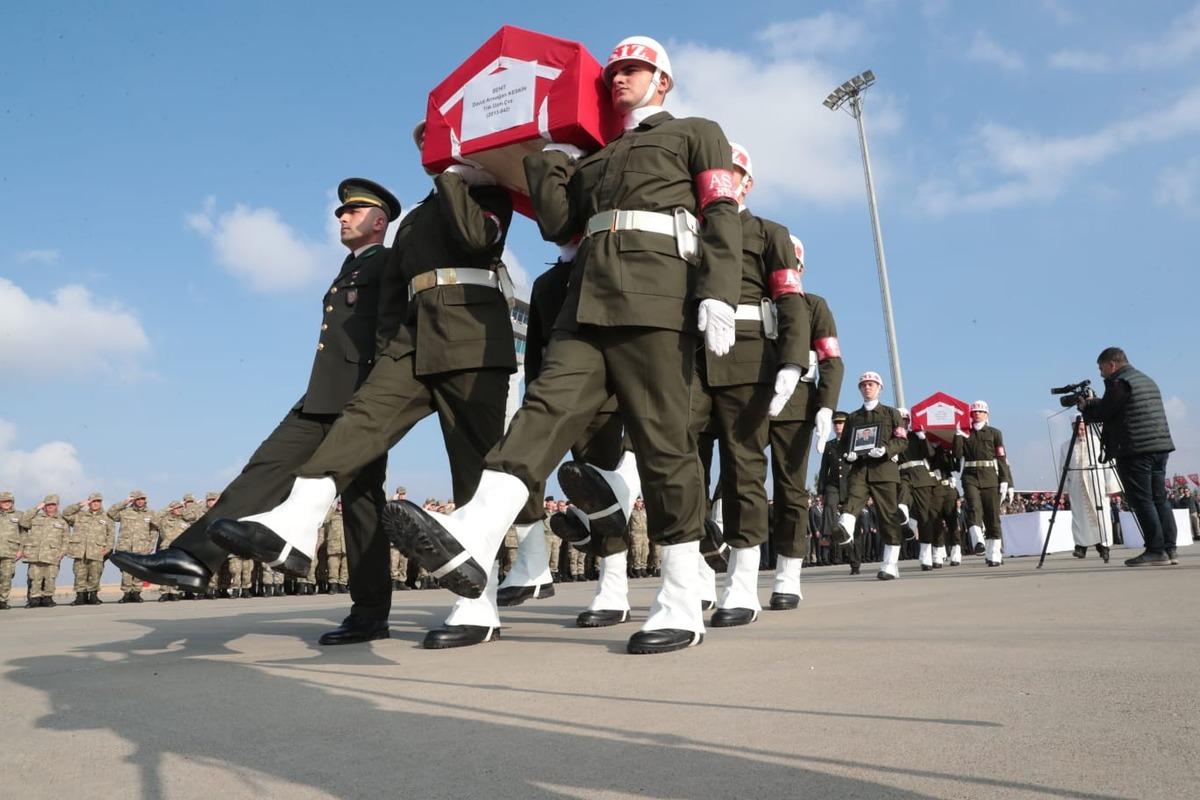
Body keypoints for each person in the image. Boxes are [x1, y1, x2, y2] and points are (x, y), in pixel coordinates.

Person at [385, 35, 742, 655]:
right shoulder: (595, 158)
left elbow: (721, 209)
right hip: (588, 301)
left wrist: (718, 291)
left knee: (662, 442)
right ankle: (472, 528)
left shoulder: (695, 132)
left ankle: (683, 596)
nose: (620, 77)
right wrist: (554, 154)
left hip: (656, 297)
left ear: (663, 81)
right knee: (542, 412)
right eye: (614, 72)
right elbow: (555, 223)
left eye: (634, 69)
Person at [110, 178, 400, 640]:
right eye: (341, 212)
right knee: (265, 469)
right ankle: (190, 558)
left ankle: (369, 613)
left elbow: (389, 335)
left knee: (362, 506)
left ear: (379, 221)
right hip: (321, 398)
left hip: (359, 402)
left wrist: (375, 402)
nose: (342, 217)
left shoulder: (387, 263)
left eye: (353, 212)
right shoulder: (348, 268)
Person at [685, 145, 809, 628]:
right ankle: (695, 567)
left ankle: (741, 580)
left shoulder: (770, 233)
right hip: (693, 359)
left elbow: (790, 300)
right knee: (681, 459)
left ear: (747, 183)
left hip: (749, 358)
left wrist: (792, 362)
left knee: (744, 471)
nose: (722, 180)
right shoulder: (693, 228)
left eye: (731, 174)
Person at [1078, 347, 1177, 566]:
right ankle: (1170, 549)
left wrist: (1086, 409)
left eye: (1101, 368)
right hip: (1159, 446)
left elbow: (1104, 413)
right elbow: (1121, 406)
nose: (1101, 373)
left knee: (1142, 500)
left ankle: (1155, 550)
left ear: (1112, 364)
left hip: (1135, 449)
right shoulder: (1145, 379)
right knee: (1159, 499)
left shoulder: (1119, 382)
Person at [836, 373, 908, 580]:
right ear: (859, 389)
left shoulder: (891, 413)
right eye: (864, 385)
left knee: (888, 517)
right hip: (859, 469)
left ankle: (890, 564)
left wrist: (886, 450)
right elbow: (843, 445)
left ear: (879, 388)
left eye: (871, 384)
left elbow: (902, 441)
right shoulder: (853, 417)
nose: (867, 388)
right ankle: (844, 530)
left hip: (884, 470)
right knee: (853, 500)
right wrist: (847, 455)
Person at [953, 401, 1014, 566]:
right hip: (970, 476)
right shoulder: (965, 432)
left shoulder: (995, 433)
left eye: (981, 411)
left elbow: (1001, 457)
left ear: (987, 415)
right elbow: (957, 455)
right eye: (974, 412)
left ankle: (993, 553)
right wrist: (958, 435)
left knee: (992, 516)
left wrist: (1006, 480)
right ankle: (978, 541)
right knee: (973, 508)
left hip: (990, 477)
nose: (977, 414)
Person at [1060, 418, 1119, 562]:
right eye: (1076, 429)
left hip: (1097, 485)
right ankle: (1080, 547)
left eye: (1081, 429)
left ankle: (1104, 546)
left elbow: (1109, 464)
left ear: (1086, 427)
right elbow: (1062, 468)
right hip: (1076, 487)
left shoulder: (1098, 441)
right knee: (1079, 517)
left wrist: (1111, 487)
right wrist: (1064, 490)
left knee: (1101, 516)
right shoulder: (1065, 446)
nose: (1079, 432)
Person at [819, 411, 857, 574]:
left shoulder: (853, 443)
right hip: (833, 484)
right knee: (829, 504)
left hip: (850, 486)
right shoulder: (829, 445)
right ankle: (827, 534)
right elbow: (823, 469)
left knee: (850, 528)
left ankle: (855, 563)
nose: (838, 426)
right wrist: (821, 490)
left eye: (841, 423)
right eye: (835, 423)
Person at [62, 492, 115, 605]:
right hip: (80, 550)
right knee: (79, 573)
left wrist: (108, 548)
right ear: (89, 503)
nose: (95, 503)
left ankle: (93, 596)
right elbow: (66, 513)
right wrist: (80, 504)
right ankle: (80, 596)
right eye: (93, 501)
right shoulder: (80, 515)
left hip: (97, 550)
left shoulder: (107, 517)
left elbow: (111, 535)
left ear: (101, 503)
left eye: (98, 501)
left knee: (95, 574)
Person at [19, 495, 68, 607]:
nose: (50, 506)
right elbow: (23, 521)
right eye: (47, 504)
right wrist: (36, 508)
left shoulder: (62, 522)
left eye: (53, 504)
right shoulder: (36, 518)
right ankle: (34, 599)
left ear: (57, 506)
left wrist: (62, 552)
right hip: (35, 554)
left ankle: (48, 598)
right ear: (44, 506)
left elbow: (66, 539)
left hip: (53, 555)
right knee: (35, 578)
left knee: (50, 578)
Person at [109, 490, 156, 602]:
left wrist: (151, 545)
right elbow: (111, 513)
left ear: (145, 500)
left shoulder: (150, 513)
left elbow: (154, 529)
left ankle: (136, 593)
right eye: (137, 499)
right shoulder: (125, 512)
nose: (140, 501)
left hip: (142, 547)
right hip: (125, 547)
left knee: (139, 571)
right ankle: (126, 594)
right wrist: (124, 502)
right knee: (126, 571)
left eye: (142, 499)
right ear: (133, 500)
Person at [0, 491, 22, 610]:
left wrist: (21, 549)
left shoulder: (18, 515)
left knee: (6, 577)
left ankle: (2, 601)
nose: (7, 503)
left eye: (9, 501)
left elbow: (23, 533)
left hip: (10, 552)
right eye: (4, 501)